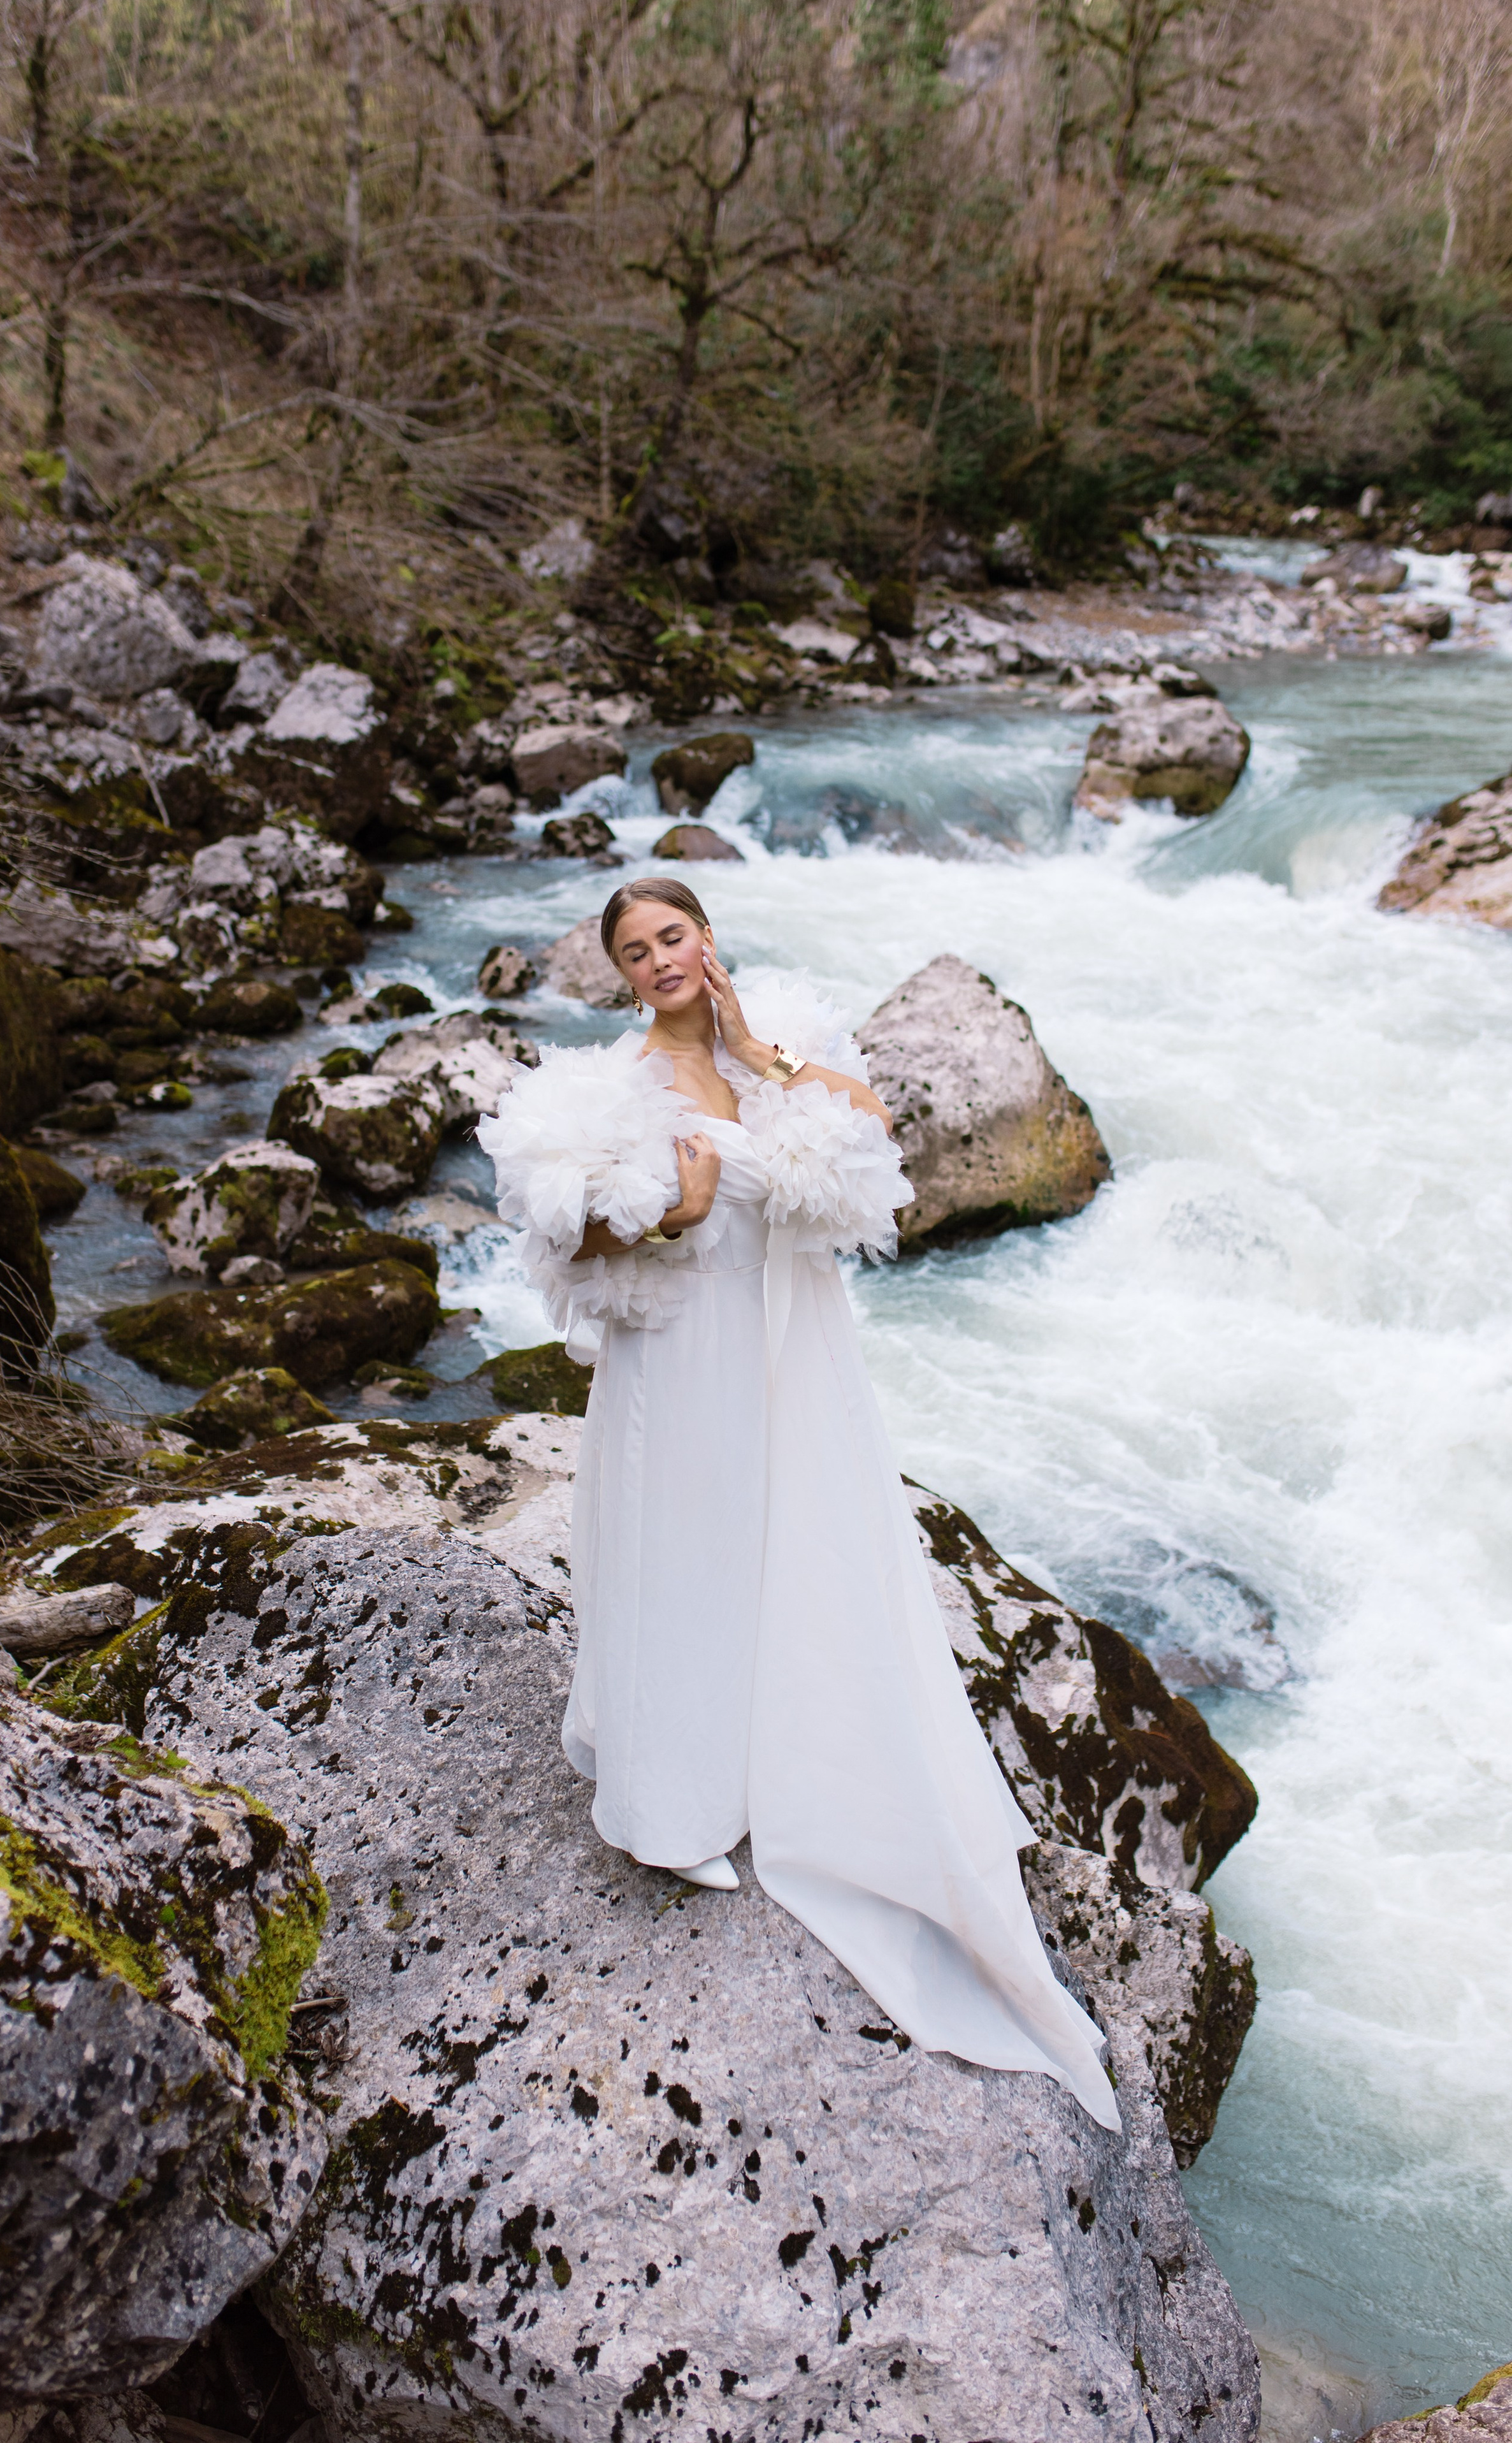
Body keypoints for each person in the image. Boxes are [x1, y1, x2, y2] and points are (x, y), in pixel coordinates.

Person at [478, 876, 1120, 2128]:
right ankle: (671, 1805)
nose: (660, 957)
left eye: (673, 935)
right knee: (685, 1563)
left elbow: (874, 1131)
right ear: (615, 971)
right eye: (636, 948)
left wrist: (758, 1053)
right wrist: (672, 1209)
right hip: (679, 1361)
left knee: (788, 1559)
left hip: (788, 1359)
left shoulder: (769, 1046)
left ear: (703, 940)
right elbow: (562, 1243)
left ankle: (774, 1761)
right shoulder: (611, 1089)